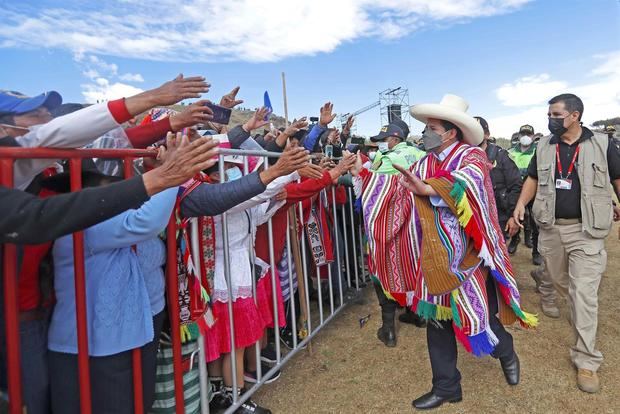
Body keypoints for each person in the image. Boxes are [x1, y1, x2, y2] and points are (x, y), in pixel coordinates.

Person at [0, 132, 220, 413]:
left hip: (122, 333)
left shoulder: (96, 209)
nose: (125, 189)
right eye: (113, 184)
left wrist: (161, 172)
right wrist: (171, 176)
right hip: (95, 344)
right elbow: (145, 222)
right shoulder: (86, 217)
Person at [354, 94, 536, 410]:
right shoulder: (423, 161)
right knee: (438, 324)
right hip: (433, 258)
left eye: (431, 127)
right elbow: (400, 189)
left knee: (482, 318)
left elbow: (466, 182)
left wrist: (431, 188)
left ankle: (506, 353)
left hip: (468, 258)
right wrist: (366, 176)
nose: (423, 133)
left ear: (450, 132)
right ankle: (446, 386)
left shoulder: (472, 157)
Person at [512, 93, 620, 394]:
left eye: (556, 115)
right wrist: (522, 203)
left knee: (584, 295)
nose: (551, 119)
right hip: (551, 230)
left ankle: (586, 359)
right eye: (549, 114)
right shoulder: (544, 146)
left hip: (587, 232)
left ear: (574, 115)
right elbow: (533, 177)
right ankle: (554, 290)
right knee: (565, 286)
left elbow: (618, 179)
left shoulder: (602, 144)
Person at [365, 121, 426, 347]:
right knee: (412, 264)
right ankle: (417, 314)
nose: (382, 143)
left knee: (383, 267)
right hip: (415, 227)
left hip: (390, 224)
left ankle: (388, 329)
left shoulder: (388, 159)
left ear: (395, 138)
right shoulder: (421, 154)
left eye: (384, 139)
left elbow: (372, 186)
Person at [474, 117, 522, 241]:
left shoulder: (501, 156)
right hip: (471, 217)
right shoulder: (461, 157)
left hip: (498, 217)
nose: (473, 134)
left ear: (487, 134)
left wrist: (513, 216)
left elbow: (516, 185)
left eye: (477, 131)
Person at [508, 124, 541, 263]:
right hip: (515, 190)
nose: (525, 137)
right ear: (519, 135)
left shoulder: (538, 152)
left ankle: (536, 250)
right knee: (516, 217)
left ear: (533, 137)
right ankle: (515, 240)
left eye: (528, 134)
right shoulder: (510, 152)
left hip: (533, 191)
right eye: (523, 134)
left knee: (535, 220)